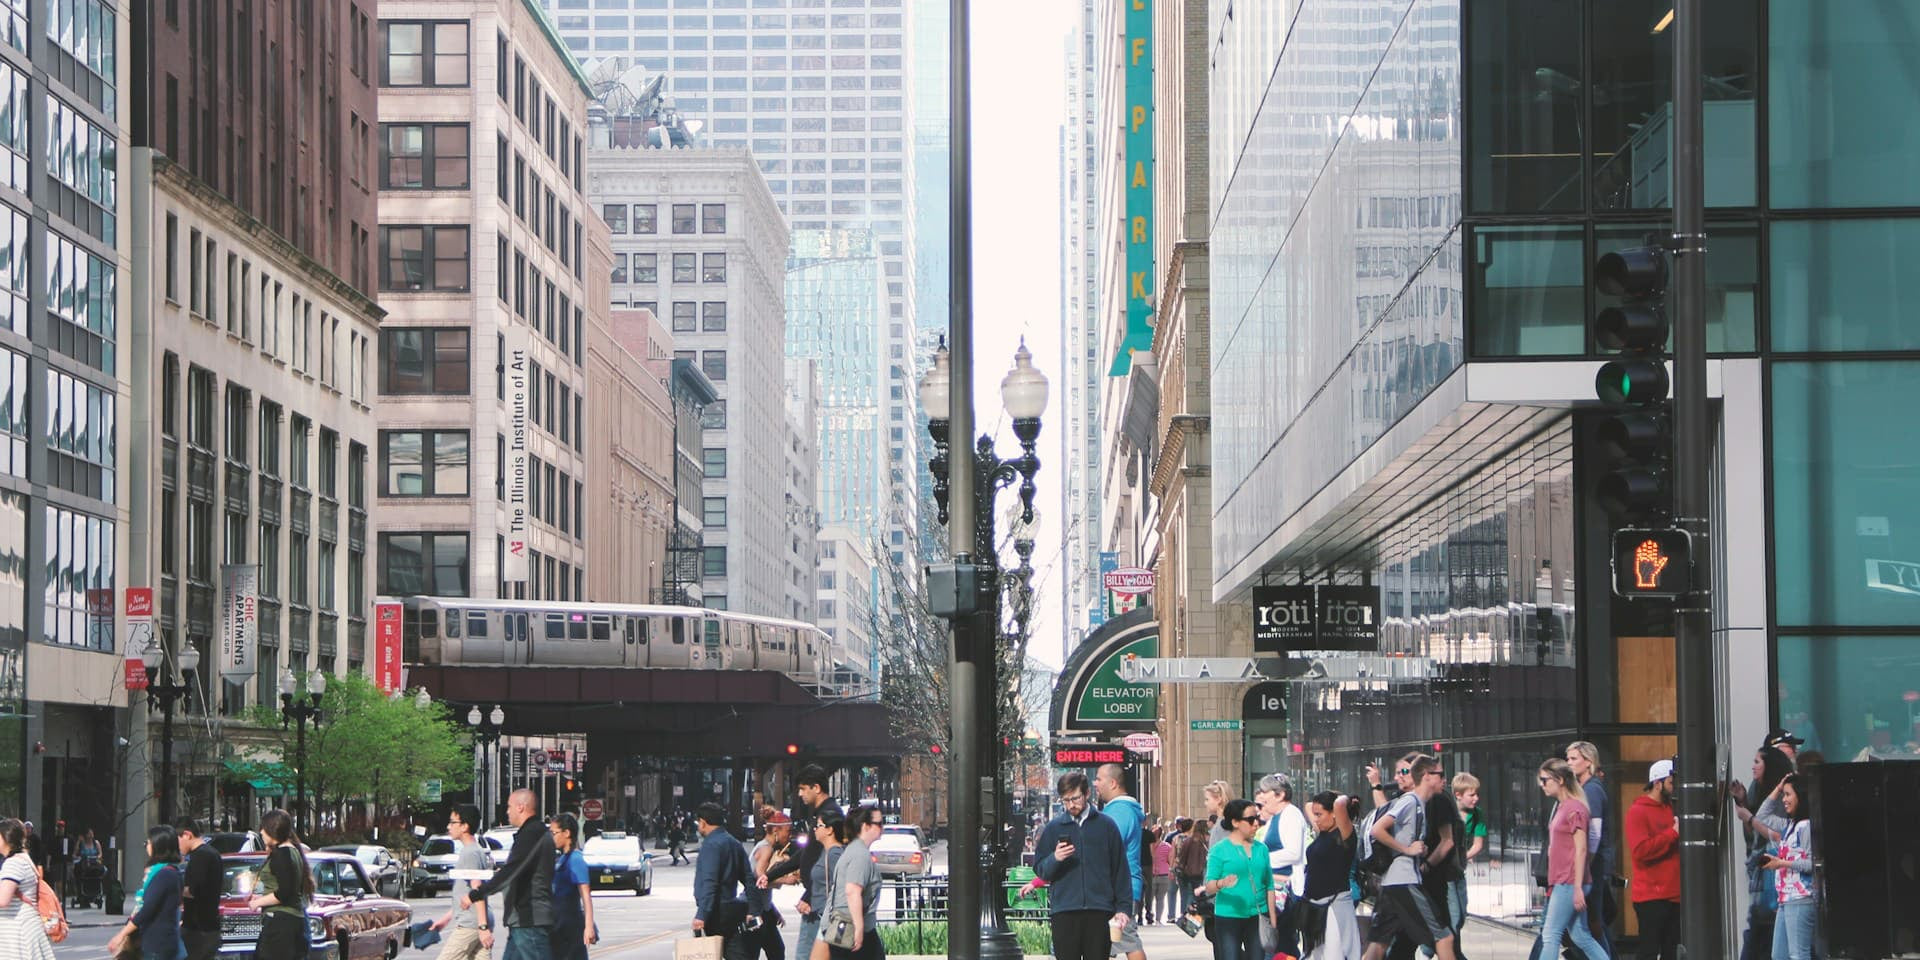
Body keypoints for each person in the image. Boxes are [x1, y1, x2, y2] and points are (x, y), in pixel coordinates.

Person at [1363, 755, 1458, 960]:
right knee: (1444, 937)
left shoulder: (1418, 802)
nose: (1443, 779)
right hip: (1404, 880)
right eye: (1439, 775)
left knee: (1379, 944)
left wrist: (1417, 849)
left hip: (1394, 882)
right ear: (1426, 776)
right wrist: (1407, 849)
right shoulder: (1411, 801)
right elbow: (1377, 830)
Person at [1034, 771, 1133, 960]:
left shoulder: (1106, 825)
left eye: (1075, 798)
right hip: (1065, 911)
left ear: (1087, 794)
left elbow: (1120, 869)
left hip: (1099, 911)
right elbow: (1041, 870)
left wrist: (1123, 908)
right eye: (1066, 800)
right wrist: (1055, 858)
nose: (1071, 805)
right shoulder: (1053, 828)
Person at [462, 789, 556, 960]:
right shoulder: (534, 832)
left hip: (529, 920)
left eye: (509, 806)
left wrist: (477, 893)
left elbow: (511, 870)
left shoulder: (532, 834)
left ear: (521, 807)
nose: (507, 811)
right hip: (522, 922)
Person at [1530, 760, 1608, 960]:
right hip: (1565, 881)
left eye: (1545, 780)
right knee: (1581, 936)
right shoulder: (1567, 806)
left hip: (1568, 881)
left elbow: (1582, 849)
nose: (1542, 784)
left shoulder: (1574, 808)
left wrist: (1577, 887)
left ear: (1561, 780)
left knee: (1550, 935)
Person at [762, 766, 835, 960]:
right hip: (817, 899)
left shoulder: (828, 815)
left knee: (805, 955)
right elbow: (807, 853)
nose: (800, 794)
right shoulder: (821, 813)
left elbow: (829, 861)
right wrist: (770, 874)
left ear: (816, 788)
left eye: (803, 789)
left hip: (819, 902)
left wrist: (810, 895)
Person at [1729, 747, 1793, 960]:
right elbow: (1755, 837)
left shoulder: (1783, 798)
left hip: (1774, 883)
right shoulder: (1759, 790)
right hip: (1761, 888)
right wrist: (1744, 802)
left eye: (1758, 762)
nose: (1753, 766)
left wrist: (1749, 817)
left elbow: (1774, 832)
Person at [1202, 799, 1271, 960]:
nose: (1256, 824)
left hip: (1257, 914)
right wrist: (1221, 883)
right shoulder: (1219, 850)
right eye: (1250, 819)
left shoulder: (1261, 849)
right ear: (1235, 822)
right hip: (1228, 915)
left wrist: (1271, 918)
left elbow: (1269, 885)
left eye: (1257, 819)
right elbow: (1209, 886)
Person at [1756, 775, 1816, 960]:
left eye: (1788, 794)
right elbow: (1762, 815)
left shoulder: (1806, 826)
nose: (1784, 799)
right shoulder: (1789, 824)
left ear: (1800, 797)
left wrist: (1781, 863)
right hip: (1785, 899)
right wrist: (1778, 787)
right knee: (1779, 955)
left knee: (1798, 954)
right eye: (1784, 794)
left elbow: (1811, 864)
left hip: (1800, 898)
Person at [1626, 760, 1680, 960]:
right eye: (1671, 783)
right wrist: (1672, 834)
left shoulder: (1672, 808)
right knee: (1649, 951)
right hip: (1650, 896)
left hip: (1674, 894)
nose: (1674, 787)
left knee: (1671, 951)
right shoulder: (1638, 811)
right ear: (1658, 783)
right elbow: (1641, 851)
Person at [1093, 764, 1148, 960]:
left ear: (1113, 783)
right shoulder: (1121, 810)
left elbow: (1104, 848)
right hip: (1120, 887)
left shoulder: (1119, 812)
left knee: (1127, 941)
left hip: (1119, 889)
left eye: (1099, 779)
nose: (1095, 783)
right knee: (1112, 942)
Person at [425, 805, 494, 960]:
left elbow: (477, 889)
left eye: (452, 822)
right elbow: (465, 895)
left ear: (464, 826)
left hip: (470, 924)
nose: (448, 826)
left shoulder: (470, 853)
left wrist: (482, 927)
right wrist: (445, 920)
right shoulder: (475, 850)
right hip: (476, 921)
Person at [248, 810, 316, 960]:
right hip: (290, 921)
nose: (261, 832)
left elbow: (284, 893)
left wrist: (256, 902)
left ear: (272, 829)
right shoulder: (293, 851)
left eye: (264, 828)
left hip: (280, 921)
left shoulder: (282, 854)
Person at [1255, 773, 1309, 958]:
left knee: (1284, 943)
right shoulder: (1277, 817)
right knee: (1282, 942)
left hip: (1287, 892)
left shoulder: (1290, 815)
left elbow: (1293, 853)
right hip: (1278, 890)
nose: (1262, 796)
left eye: (1265, 791)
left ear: (1280, 794)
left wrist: (1260, 861)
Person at [691, 803, 754, 960]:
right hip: (731, 908)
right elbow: (748, 879)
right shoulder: (734, 843)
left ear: (703, 822)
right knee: (735, 952)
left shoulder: (711, 845)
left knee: (711, 953)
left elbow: (710, 882)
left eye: (699, 822)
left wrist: (702, 914)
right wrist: (753, 908)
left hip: (716, 911)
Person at [1301, 793, 1360, 960]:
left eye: (1319, 814)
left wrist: (1345, 800)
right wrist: (1322, 807)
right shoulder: (1323, 832)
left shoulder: (1344, 835)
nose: (1316, 819)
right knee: (1315, 955)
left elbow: (1341, 803)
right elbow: (1308, 805)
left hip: (1334, 904)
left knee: (1334, 953)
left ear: (1334, 813)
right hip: (1313, 904)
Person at [110, 827, 183, 960]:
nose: (146, 846)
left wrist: (121, 935)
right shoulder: (169, 872)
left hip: (157, 943)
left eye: (148, 843)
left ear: (158, 845)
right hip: (160, 942)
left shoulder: (165, 874)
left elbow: (147, 909)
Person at [825, 805, 886, 960]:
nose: (882, 827)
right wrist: (859, 929)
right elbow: (852, 890)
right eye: (879, 823)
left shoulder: (853, 850)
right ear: (865, 826)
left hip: (845, 927)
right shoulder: (860, 855)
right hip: (851, 929)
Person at [0, 819, 57, 960]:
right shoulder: (25, 859)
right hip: (28, 927)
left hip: (17, 931)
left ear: (5, 838)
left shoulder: (13, 863)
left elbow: (3, 900)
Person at [746, 809, 794, 960]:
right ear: (775, 830)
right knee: (771, 951)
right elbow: (760, 878)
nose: (790, 835)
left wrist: (772, 910)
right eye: (788, 831)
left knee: (774, 951)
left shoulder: (767, 847)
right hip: (754, 909)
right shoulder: (766, 848)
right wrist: (786, 880)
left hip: (762, 909)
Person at [550, 813, 597, 960]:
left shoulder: (576, 859)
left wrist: (588, 926)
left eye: (554, 833)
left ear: (567, 833)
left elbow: (585, 895)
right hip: (558, 924)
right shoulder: (562, 858)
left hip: (570, 926)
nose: (551, 837)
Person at [176, 821, 225, 960]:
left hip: (198, 928)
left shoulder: (200, 855)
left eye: (177, 840)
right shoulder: (212, 853)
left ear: (187, 835)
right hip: (207, 926)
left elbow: (195, 889)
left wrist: (177, 891)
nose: (177, 846)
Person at [805, 808, 847, 960]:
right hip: (822, 918)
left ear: (830, 830)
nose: (815, 829)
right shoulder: (826, 851)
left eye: (819, 825)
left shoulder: (835, 854)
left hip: (830, 920)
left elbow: (843, 887)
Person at [1450, 774, 1486, 944]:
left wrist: (1461, 858)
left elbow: (1478, 844)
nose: (1476, 799)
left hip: (1458, 870)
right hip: (1444, 872)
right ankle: (1429, 951)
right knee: (1454, 916)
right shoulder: (1448, 812)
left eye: (1477, 794)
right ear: (1458, 795)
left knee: (1461, 914)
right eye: (1471, 795)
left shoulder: (1477, 814)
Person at [1176, 818, 1208, 919]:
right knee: (1201, 897)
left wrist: (1181, 867)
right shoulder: (1206, 841)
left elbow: (1182, 857)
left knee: (1190, 895)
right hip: (1203, 872)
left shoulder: (1188, 841)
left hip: (1189, 873)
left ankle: (1188, 918)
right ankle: (1199, 917)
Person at [1149, 828, 1173, 924]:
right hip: (1164, 874)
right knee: (1160, 899)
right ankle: (1158, 919)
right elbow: (1170, 860)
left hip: (1150, 875)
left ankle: (1149, 915)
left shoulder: (1148, 846)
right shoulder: (1167, 846)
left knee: (1149, 899)